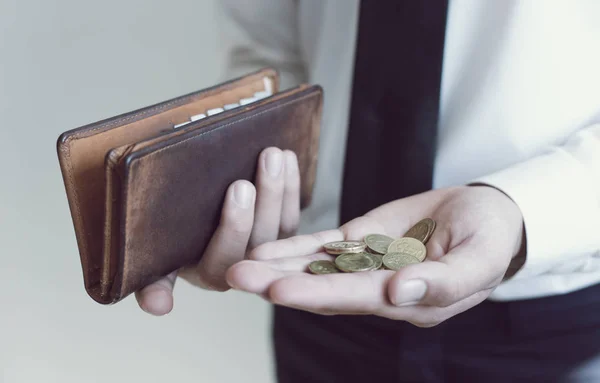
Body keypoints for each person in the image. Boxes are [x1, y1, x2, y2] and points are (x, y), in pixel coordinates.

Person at [136, 1, 600, 382]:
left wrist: (523, 211)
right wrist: (217, 188)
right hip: (313, 288)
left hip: (554, 310)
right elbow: (267, 51)